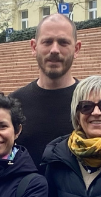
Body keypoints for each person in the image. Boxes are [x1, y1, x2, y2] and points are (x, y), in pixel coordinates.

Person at [9, 14, 82, 167]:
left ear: (76, 49)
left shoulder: (91, 104)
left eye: (63, 42)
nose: (54, 50)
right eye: (47, 42)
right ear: (34, 47)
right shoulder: (14, 104)